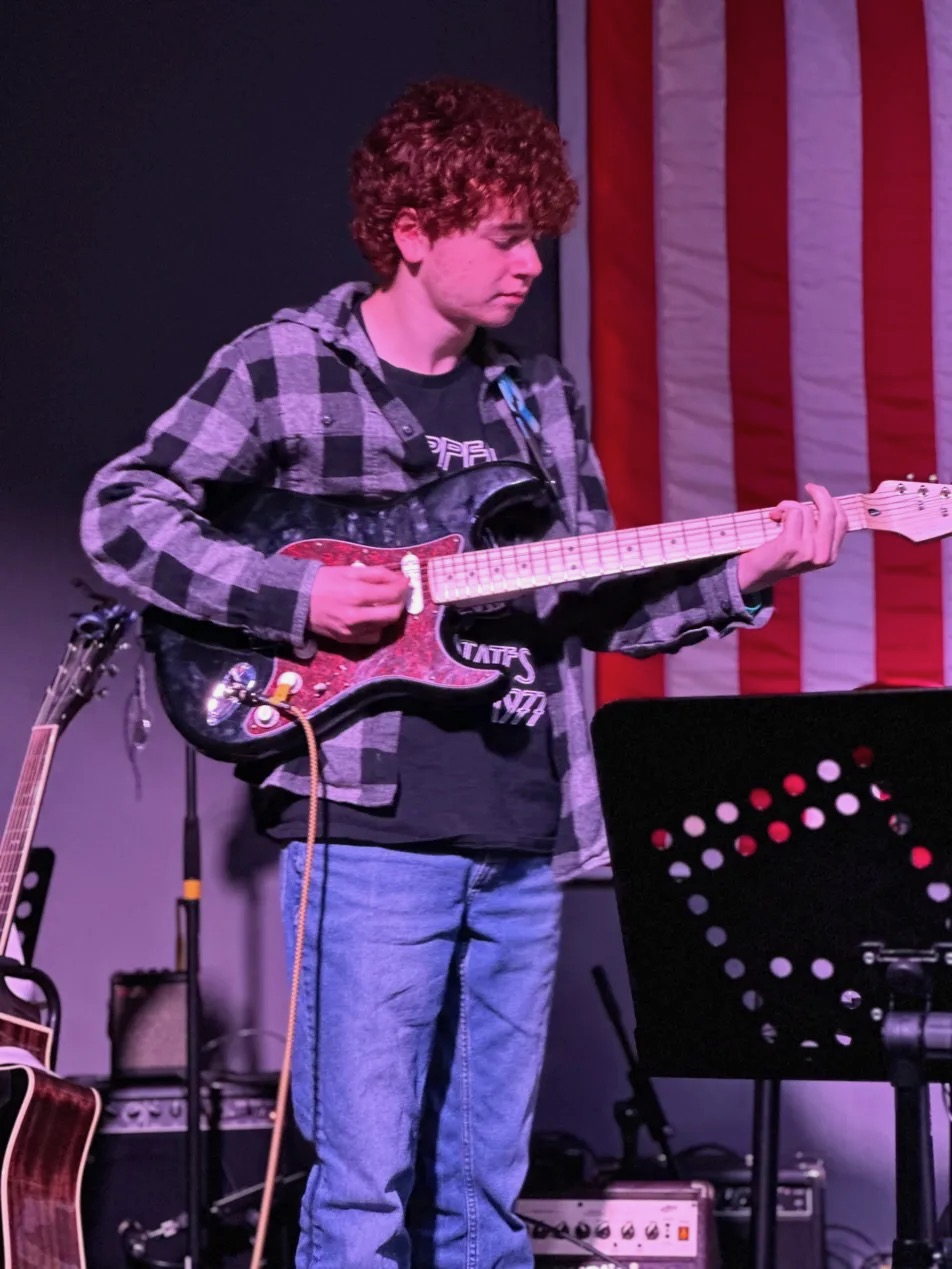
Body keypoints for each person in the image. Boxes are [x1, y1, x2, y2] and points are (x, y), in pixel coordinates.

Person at [80, 77, 847, 1269]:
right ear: (412, 232)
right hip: (371, 832)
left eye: (537, 234)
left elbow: (598, 602)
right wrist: (299, 594)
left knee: (487, 1205)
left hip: (523, 832)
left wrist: (757, 562)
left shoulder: (533, 394)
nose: (532, 264)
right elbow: (122, 515)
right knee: (362, 1199)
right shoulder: (291, 364)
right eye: (503, 235)